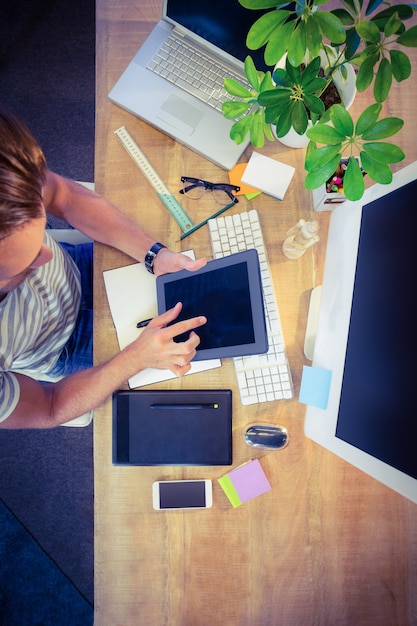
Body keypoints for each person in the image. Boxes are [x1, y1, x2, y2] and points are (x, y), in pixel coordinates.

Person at [0, 105, 207, 429]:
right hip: (65, 348)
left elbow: (65, 197)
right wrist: (135, 359)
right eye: (25, 263)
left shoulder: (6, 174)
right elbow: (49, 407)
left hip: (82, 268)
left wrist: (153, 253)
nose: (47, 257)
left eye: (42, 232)